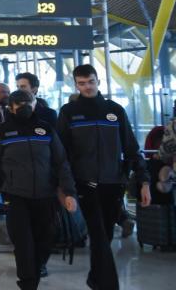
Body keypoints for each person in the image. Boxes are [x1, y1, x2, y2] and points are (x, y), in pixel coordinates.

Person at [57, 64, 150, 290]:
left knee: (105, 236)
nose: (87, 87)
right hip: (84, 184)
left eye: (91, 81)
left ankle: (95, 279)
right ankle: (109, 286)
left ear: (98, 81)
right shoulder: (69, 112)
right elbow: (61, 154)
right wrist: (65, 188)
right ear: (76, 85)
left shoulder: (115, 110)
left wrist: (144, 181)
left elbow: (131, 147)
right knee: (98, 235)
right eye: (82, 83)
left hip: (113, 183)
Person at [0, 89, 77, 290]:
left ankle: (35, 274)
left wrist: (69, 192)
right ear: (11, 108)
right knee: (23, 245)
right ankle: (28, 284)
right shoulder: (2, 131)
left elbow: (61, 163)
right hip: (16, 197)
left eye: (28, 104)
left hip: (46, 196)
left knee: (45, 242)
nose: (25, 108)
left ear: (34, 104)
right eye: (20, 105)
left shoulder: (46, 129)